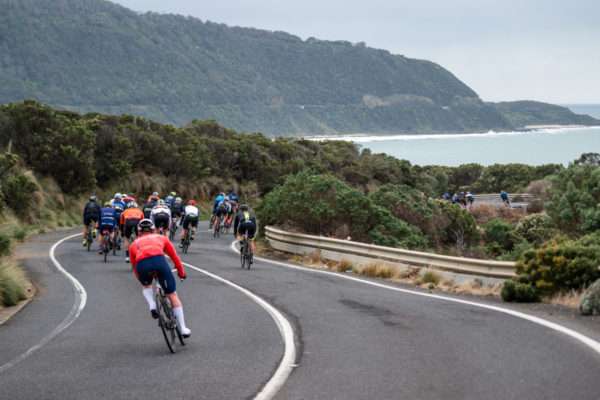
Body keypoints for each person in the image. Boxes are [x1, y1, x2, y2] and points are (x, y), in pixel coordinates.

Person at [129, 219, 191, 337]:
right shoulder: (161, 238)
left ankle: (152, 304)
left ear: (139, 232)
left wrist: (143, 281)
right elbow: (175, 258)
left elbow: (135, 268)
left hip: (142, 265)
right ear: (153, 230)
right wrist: (181, 274)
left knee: (146, 285)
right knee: (172, 295)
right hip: (159, 261)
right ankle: (183, 328)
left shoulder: (133, 245)